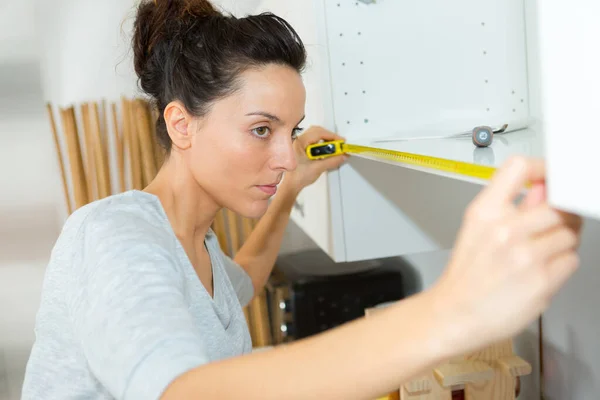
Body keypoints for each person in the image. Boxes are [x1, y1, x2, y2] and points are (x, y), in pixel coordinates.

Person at [22, 0, 583, 399]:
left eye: (290, 132)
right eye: (261, 129)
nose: (286, 154)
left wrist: (289, 191)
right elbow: (181, 392)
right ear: (182, 124)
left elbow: (241, 281)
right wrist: (452, 309)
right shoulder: (113, 236)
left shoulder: (197, 241)